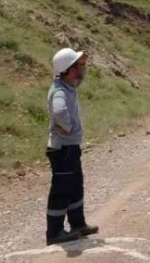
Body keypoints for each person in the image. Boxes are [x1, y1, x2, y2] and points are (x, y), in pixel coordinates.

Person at [44, 47, 99, 245]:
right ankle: (55, 232)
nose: (81, 70)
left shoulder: (68, 87)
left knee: (75, 186)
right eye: (78, 66)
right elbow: (59, 113)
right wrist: (68, 128)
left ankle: (78, 224)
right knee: (61, 190)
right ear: (67, 69)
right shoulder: (59, 91)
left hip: (70, 148)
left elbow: (76, 78)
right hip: (63, 149)